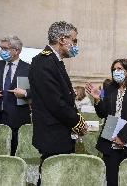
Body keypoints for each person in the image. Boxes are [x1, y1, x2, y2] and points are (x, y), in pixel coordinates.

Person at [29, 21, 87, 185]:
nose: (75, 45)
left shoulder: (54, 61)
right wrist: (78, 122)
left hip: (59, 132)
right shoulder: (43, 62)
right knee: (51, 178)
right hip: (52, 134)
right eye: (74, 41)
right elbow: (55, 102)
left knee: (59, 178)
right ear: (62, 39)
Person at [86, 59, 127, 186]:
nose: (116, 72)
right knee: (112, 178)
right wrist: (98, 100)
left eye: (119, 69)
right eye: (114, 69)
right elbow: (103, 114)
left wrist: (122, 136)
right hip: (110, 131)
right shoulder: (110, 88)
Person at [0, 35, 31, 156]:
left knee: (13, 155)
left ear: (16, 50)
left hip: (17, 119)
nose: (2, 51)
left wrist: (24, 93)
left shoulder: (29, 68)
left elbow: (37, 91)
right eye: (1, 48)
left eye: (5, 48)